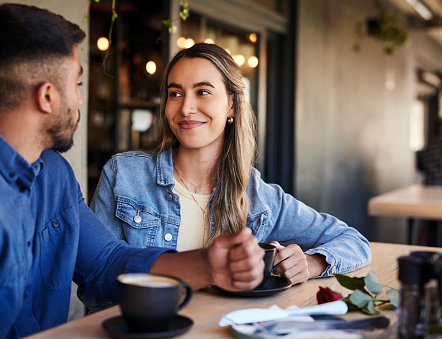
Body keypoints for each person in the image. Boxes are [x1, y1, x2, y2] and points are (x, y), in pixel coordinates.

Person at [0, 5, 265, 339]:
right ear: (47, 96)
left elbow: (105, 262)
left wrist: (209, 265)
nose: (80, 100)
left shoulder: (54, 174)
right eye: (77, 84)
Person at [81, 42, 372, 311]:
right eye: (175, 93)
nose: (185, 108)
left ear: (232, 104)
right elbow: (95, 286)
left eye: (203, 91)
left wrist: (311, 262)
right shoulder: (124, 175)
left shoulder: (259, 196)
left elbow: (353, 242)